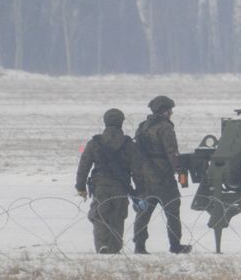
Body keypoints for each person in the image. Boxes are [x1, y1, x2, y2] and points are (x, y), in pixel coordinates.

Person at [132, 95, 191, 254]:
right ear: (165, 111)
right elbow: (172, 152)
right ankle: (175, 245)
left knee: (143, 214)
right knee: (172, 213)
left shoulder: (143, 127)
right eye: (170, 110)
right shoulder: (165, 128)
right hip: (163, 177)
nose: (171, 113)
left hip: (145, 177)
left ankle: (139, 246)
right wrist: (180, 170)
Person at [75, 108, 139, 254]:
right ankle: (115, 247)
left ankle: (102, 245)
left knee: (100, 215)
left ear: (105, 122)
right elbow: (137, 168)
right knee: (118, 216)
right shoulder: (128, 143)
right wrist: (138, 190)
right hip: (121, 186)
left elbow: (84, 166)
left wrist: (80, 186)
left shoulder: (95, 142)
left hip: (100, 185)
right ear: (121, 122)